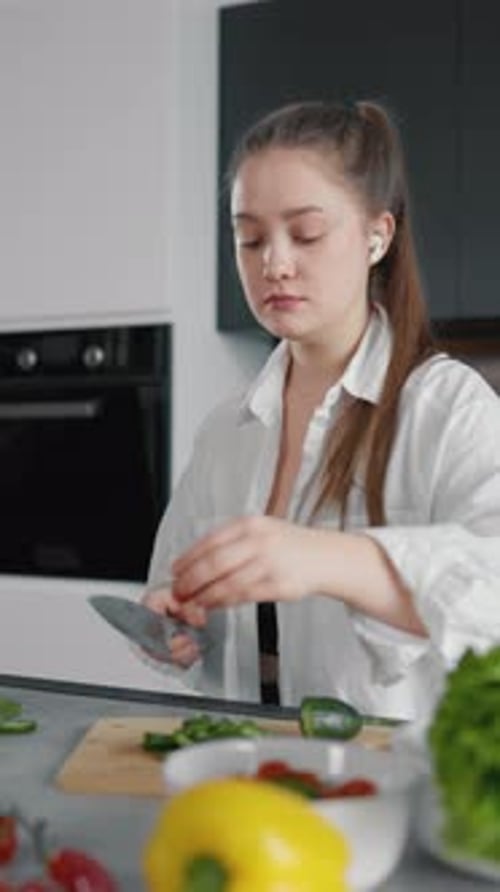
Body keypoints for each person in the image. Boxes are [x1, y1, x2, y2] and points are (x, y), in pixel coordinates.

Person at [142, 99, 500, 719]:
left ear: (377, 236)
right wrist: (177, 622)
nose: (273, 264)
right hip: (246, 767)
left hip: (396, 791)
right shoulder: (226, 430)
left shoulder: (449, 408)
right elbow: (172, 588)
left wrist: (328, 560)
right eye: (249, 239)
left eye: (305, 234)